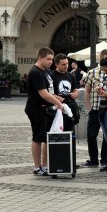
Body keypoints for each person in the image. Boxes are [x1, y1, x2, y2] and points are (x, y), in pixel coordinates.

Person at [25, 47, 64, 176]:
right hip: (36, 108)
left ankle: (46, 165)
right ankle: (37, 167)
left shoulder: (46, 72)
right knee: (38, 137)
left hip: (46, 108)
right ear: (40, 58)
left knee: (47, 138)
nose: (50, 62)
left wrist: (59, 99)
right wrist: (58, 103)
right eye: (48, 59)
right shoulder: (35, 72)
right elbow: (43, 94)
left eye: (52, 59)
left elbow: (50, 92)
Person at [82, 48, 107, 168]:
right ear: (100, 58)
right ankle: (93, 159)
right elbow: (87, 90)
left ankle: (104, 158)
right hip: (95, 108)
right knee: (91, 134)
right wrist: (88, 107)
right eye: (103, 58)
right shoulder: (92, 72)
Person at [51, 54, 81, 169]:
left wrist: (76, 93)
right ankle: (60, 161)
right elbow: (50, 93)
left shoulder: (70, 76)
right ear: (57, 64)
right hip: (59, 110)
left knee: (71, 135)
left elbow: (75, 89)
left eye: (67, 64)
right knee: (59, 136)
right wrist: (60, 99)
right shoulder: (52, 76)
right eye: (63, 64)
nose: (66, 66)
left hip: (70, 109)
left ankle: (71, 161)